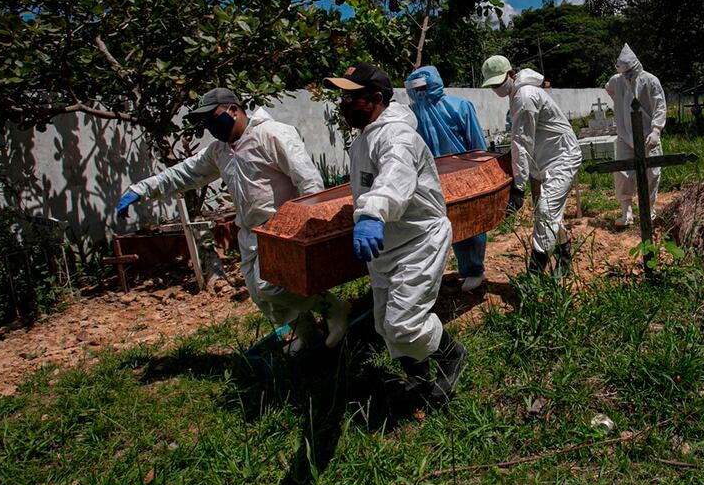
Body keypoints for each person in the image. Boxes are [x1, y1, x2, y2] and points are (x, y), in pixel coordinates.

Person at [116, 88, 351, 354]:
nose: (210, 125)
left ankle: (332, 307)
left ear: (233, 110)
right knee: (261, 295)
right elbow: (184, 174)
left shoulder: (271, 134)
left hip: (284, 229)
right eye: (205, 121)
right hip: (251, 233)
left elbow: (307, 179)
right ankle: (306, 333)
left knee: (272, 288)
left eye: (213, 117)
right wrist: (141, 190)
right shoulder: (220, 151)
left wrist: (309, 225)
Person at [326, 63, 466, 405]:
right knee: (384, 324)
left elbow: (394, 178)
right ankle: (418, 377)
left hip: (418, 240)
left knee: (404, 322)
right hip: (386, 244)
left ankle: (451, 354)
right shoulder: (364, 137)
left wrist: (373, 213)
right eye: (342, 96)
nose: (343, 104)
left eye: (351, 97)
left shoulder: (397, 137)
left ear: (376, 98)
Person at [480, 55, 581, 275]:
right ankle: (564, 258)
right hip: (543, 160)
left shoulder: (525, 96)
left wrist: (518, 186)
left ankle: (534, 277)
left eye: (500, 82)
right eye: (493, 85)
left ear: (512, 74)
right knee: (548, 213)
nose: (497, 88)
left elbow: (522, 142)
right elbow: (522, 139)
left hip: (561, 159)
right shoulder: (517, 93)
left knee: (545, 212)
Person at [405, 65, 489, 292]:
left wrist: (481, 172)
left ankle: (474, 269)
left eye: (423, 87)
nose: (420, 93)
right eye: (416, 89)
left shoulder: (460, 106)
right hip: (431, 178)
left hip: (464, 175)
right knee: (439, 225)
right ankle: (440, 271)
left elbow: (477, 143)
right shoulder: (413, 114)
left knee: (471, 222)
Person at [605, 43, 667, 227]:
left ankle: (649, 209)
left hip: (648, 134)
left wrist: (656, 129)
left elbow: (660, 106)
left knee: (652, 173)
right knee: (623, 173)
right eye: (625, 73)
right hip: (625, 134)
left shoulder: (651, 81)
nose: (628, 77)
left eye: (630, 72)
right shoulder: (617, 81)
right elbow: (609, 88)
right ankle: (626, 211)